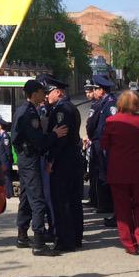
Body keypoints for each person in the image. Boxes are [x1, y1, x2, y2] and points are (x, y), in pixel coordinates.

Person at [102, 91, 139, 255]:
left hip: (118, 171)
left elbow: (104, 144)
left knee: (122, 208)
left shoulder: (111, 121)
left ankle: (130, 244)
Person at [41, 74, 80, 254]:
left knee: (61, 201)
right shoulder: (70, 107)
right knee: (72, 200)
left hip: (63, 161)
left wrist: (51, 161)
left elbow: (61, 140)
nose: (46, 96)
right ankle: (75, 237)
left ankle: (65, 241)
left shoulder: (61, 110)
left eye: (48, 93)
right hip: (71, 159)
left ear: (57, 92)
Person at [12, 79, 51, 252]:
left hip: (24, 158)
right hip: (29, 158)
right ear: (34, 93)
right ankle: (39, 242)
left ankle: (22, 236)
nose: (45, 94)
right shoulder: (29, 113)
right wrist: (55, 135)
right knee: (37, 199)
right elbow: (39, 141)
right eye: (43, 92)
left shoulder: (22, 109)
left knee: (26, 197)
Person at [85, 75, 118, 226]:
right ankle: (103, 204)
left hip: (105, 145)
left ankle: (109, 206)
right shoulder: (103, 102)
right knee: (100, 174)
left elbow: (111, 125)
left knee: (107, 175)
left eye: (96, 88)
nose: (94, 91)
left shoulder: (109, 104)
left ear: (102, 90)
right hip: (100, 143)